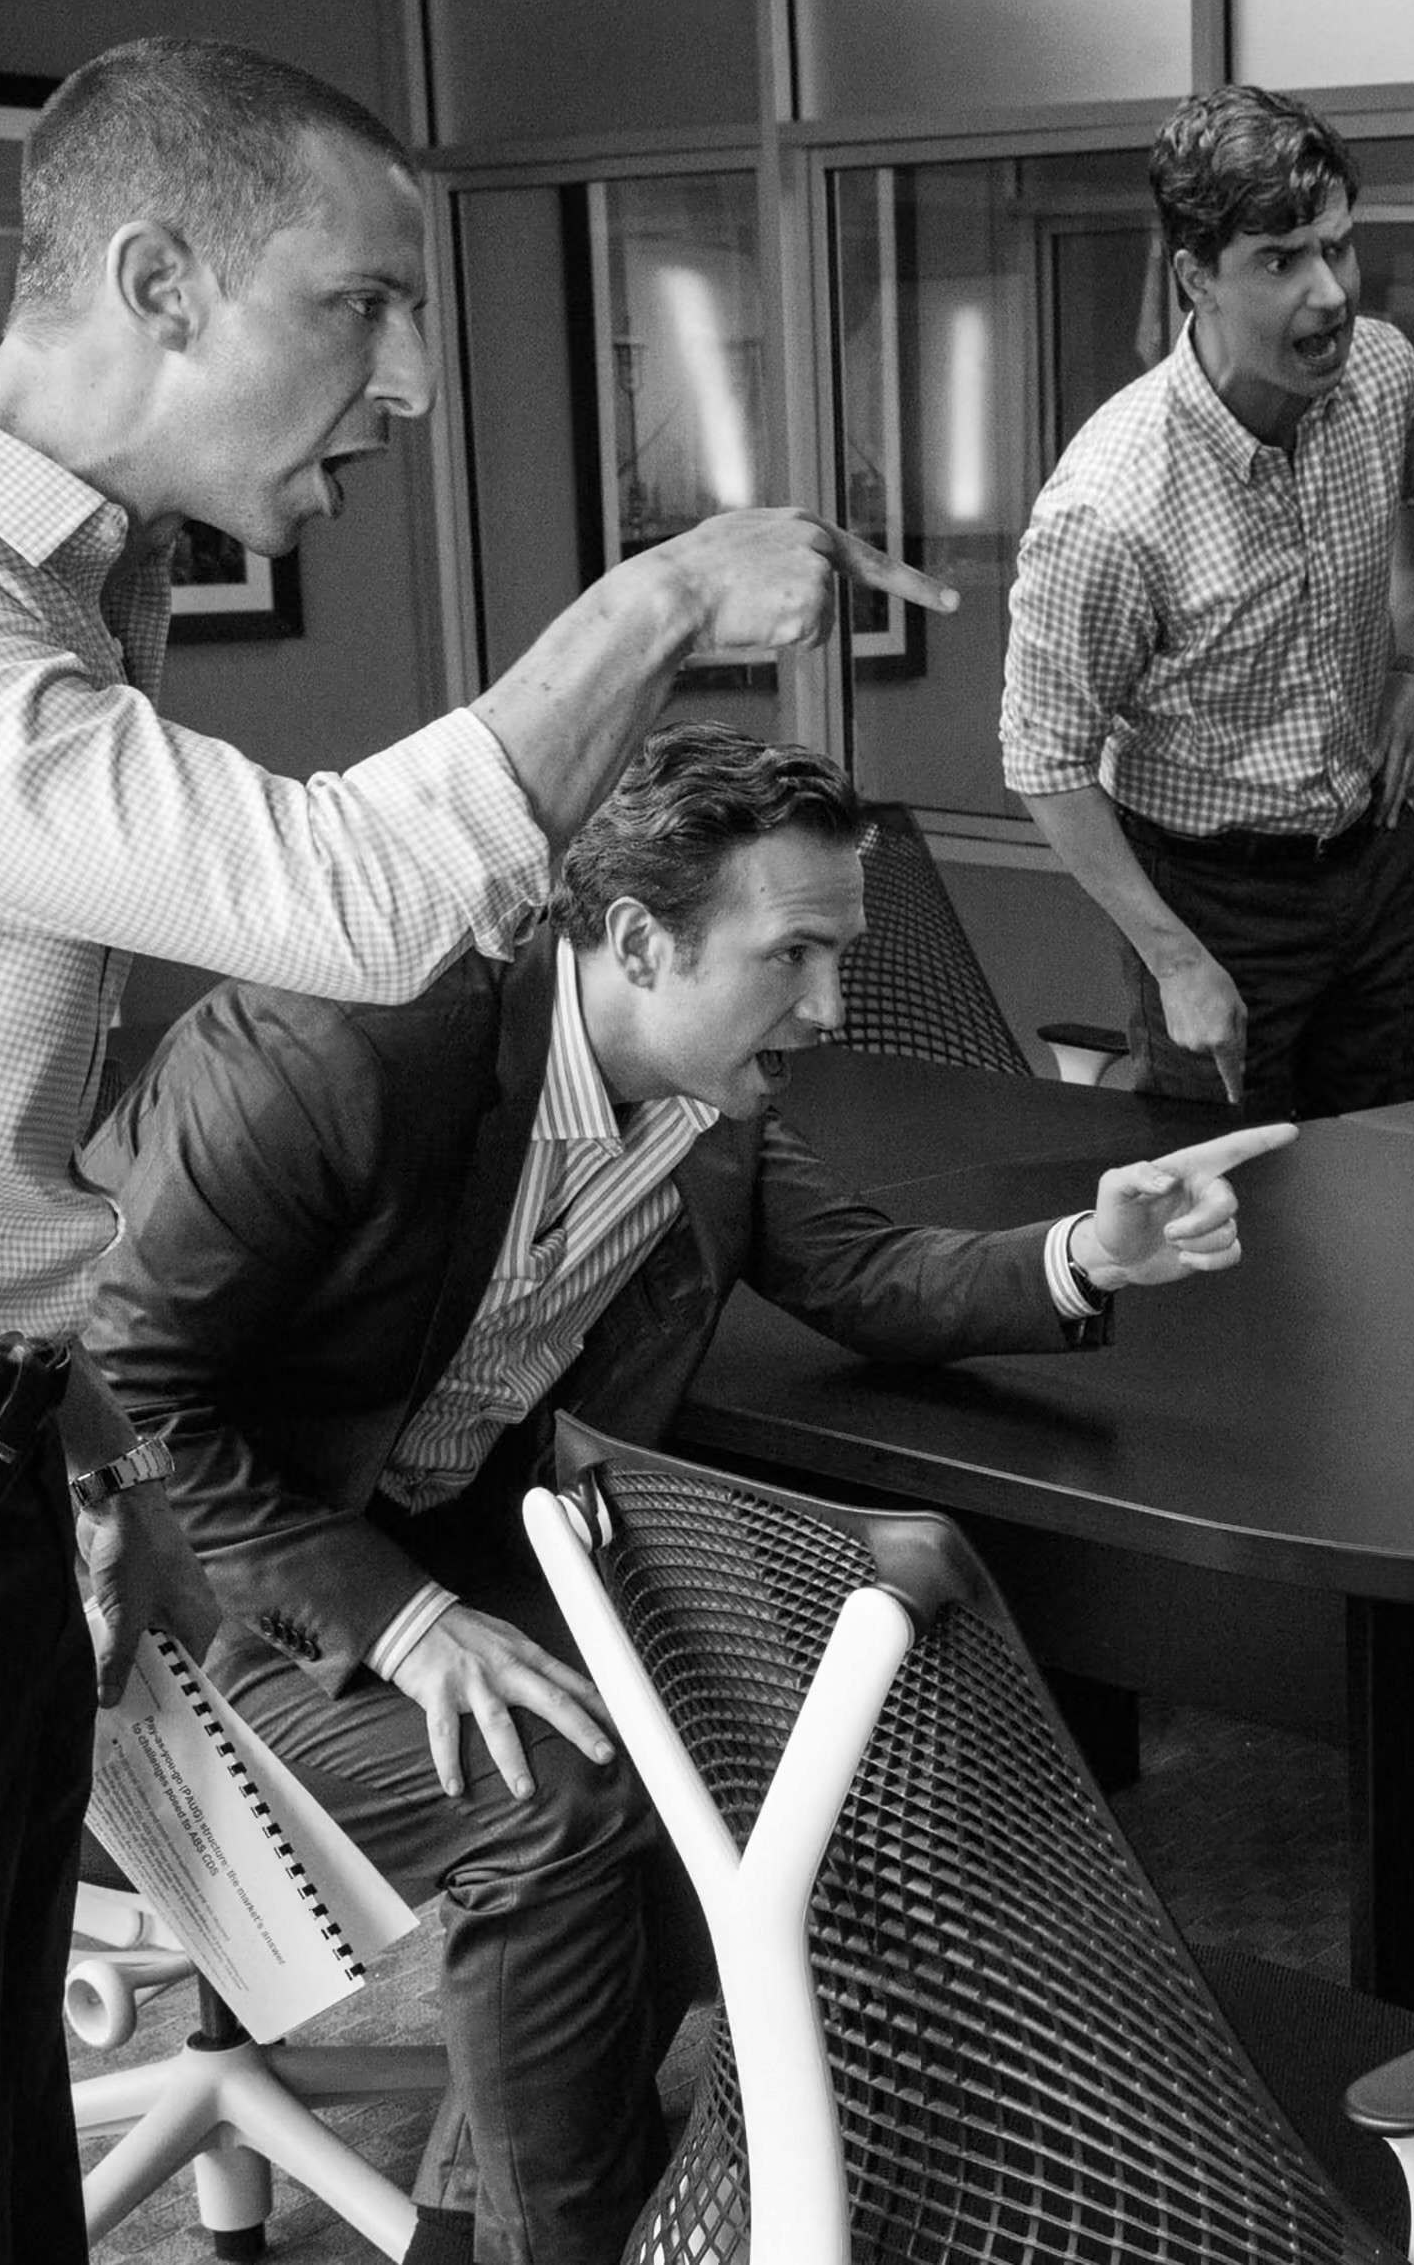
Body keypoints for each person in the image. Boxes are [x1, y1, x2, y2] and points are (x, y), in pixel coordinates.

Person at [0, 38, 946, 2265]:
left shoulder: (39, 606)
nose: (400, 386)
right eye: (358, 307)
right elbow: (361, 905)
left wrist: (69, 1456)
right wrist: (659, 601)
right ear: (158, 276)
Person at [77, 725, 1284, 2265]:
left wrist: (1086, 1255)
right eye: (793, 953)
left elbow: (856, 1266)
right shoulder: (339, 1048)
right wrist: (406, 1620)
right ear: (640, 939)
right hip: (178, 1583)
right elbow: (125, 1392)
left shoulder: (710, 1098)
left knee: (726, 1737)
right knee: (562, 1798)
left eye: (841, 952)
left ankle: (503, 2170)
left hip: (444, 1528)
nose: (833, 1009)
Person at [1003, 83, 1414, 1121]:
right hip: (1210, 899)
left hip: (1368, 858)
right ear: (1193, 278)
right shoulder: (1108, 507)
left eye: (1336, 247)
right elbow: (1044, 761)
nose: (1331, 291)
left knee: (1390, 1180)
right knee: (1233, 1226)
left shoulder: (1381, 371)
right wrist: (1172, 958)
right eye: (1280, 259)